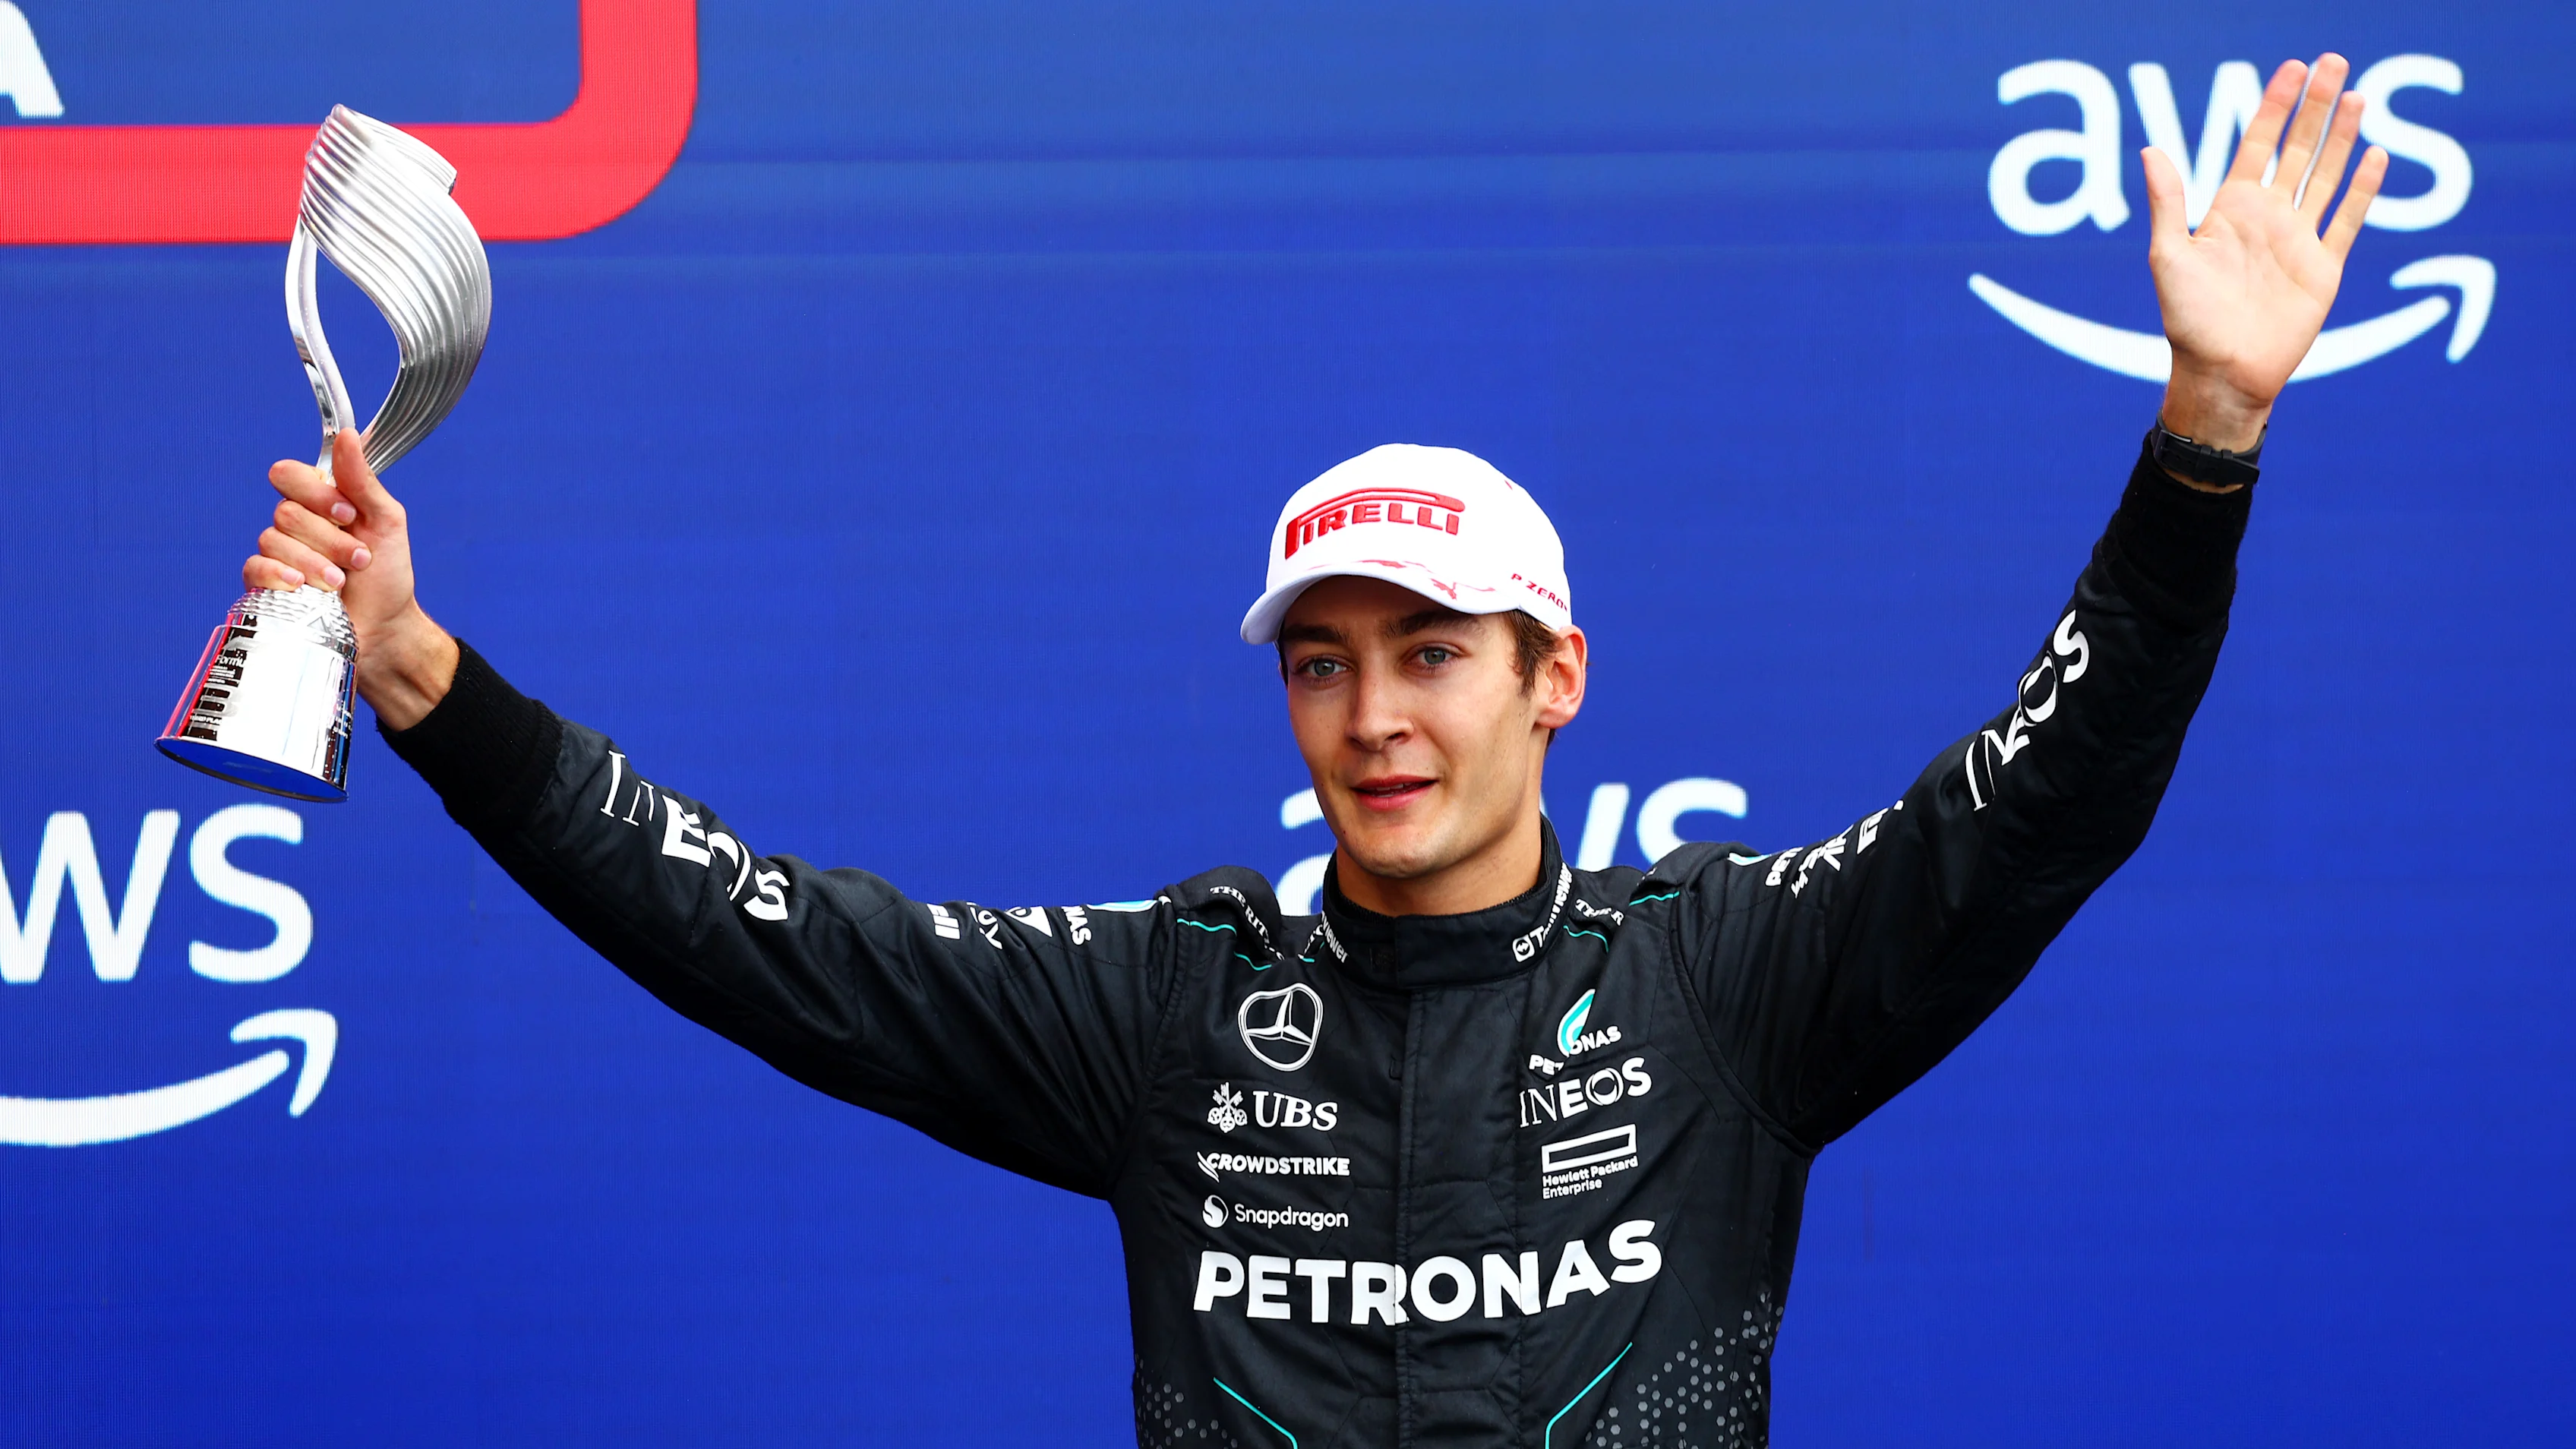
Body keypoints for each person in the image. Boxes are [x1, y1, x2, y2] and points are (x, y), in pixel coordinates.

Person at [242, 55, 2385, 1449]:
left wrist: (2208, 436)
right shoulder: (1170, 1008)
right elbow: (755, 930)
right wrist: (426, 676)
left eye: (1435, 653)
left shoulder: (1729, 977)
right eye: (1327, 661)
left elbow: (2052, 795)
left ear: (1556, 676)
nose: (1376, 717)